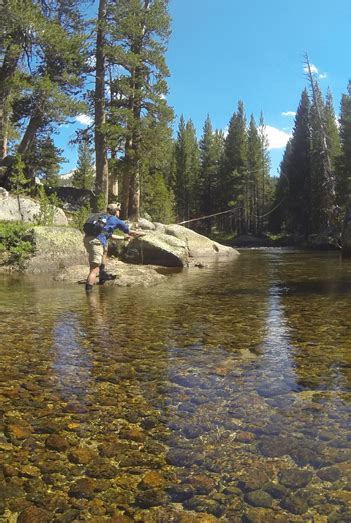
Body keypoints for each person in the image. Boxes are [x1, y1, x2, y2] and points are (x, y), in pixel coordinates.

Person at [84, 203, 144, 292]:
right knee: (94, 269)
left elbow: (108, 235)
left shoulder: (102, 217)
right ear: (115, 211)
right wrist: (142, 233)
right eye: (118, 210)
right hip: (96, 241)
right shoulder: (115, 219)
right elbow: (129, 231)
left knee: (105, 249)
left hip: (87, 238)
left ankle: (102, 274)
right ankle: (89, 294)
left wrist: (123, 238)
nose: (119, 212)